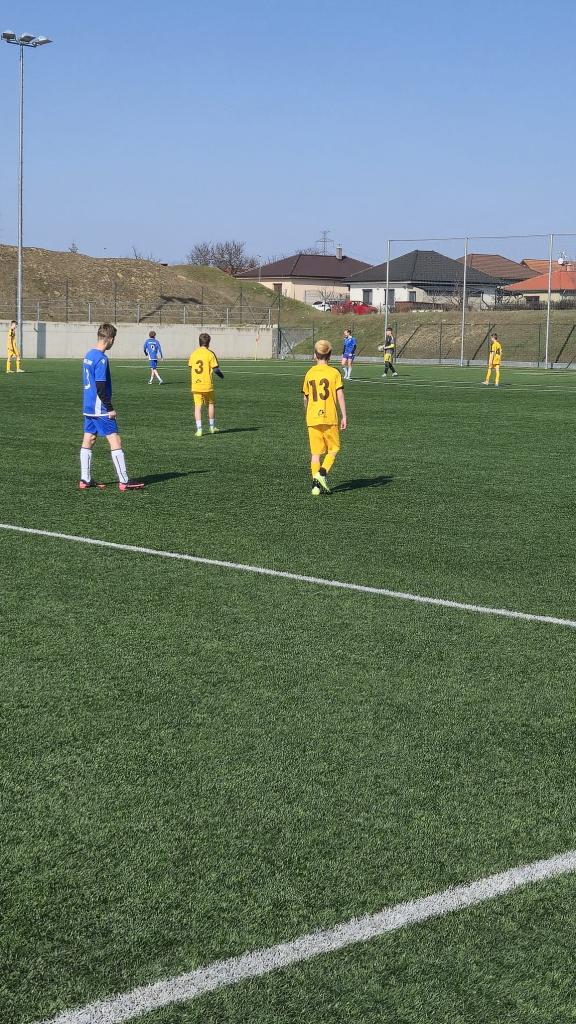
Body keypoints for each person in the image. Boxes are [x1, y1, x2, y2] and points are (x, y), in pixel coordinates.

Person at [80, 323, 144, 491]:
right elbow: (101, 386)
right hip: (100, 407)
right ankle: (124, 481)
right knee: (115, 439)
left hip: (88, 405)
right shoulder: (101, 358)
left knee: (89, 438)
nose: (113, 342)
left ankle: (85, 479)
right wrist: (109, 408)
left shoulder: (88, 354)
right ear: (109, 339)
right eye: (114, 339)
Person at [303, 339, 347, 496]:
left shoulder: (309, 373)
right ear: (330, 355)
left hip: (312, 418)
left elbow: (306, 397)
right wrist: (344, 415)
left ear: (315, 355)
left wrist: (307, 413)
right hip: (329, 417)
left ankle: (315, 487)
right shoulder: (334, 373)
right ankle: (322, 473)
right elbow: (339, 394)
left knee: (315, 454)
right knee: (333, 449)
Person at [188, 332, 224, 436]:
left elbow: (191, 366)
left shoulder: (193, 353)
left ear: (199, 342)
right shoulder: (210, 353)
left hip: (196, 384)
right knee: (211, 404)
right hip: (207, 384)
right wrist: (221, 375)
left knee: (197, 406)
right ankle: (212, 427)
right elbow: (216, 369)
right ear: (208, 343)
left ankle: (199, 430)